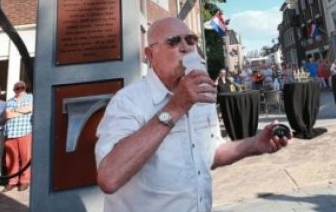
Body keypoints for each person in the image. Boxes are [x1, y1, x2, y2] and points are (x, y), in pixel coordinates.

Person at [95, 17, 289, 212]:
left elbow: (209, 154)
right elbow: (109, 178)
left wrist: (254, 144)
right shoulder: (127, 101)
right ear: (150, 54)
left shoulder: (200, 97)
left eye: (191, 40)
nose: (186, 47)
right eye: (173, 41)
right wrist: (176, 107)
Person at [3, 81, 33, 192]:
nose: (19, 89)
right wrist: (22, 111)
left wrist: (14, 111)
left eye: (21, 87)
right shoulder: (9, 101)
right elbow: (7, 115)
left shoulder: (31, 97)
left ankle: (25, 181)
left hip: (25, 131)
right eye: (17, 88)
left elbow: (31, 108)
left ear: (25, 88)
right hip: (10, 133)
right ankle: (12, 181)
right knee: (10, 159)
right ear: (13, 89)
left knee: (26, 158)